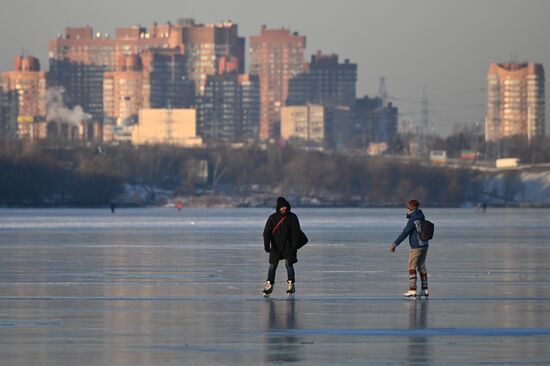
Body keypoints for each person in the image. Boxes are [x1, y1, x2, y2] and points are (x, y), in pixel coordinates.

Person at [262, 197, 302, 297]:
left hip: (289, 246)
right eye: (282, 207)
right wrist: (267, 245)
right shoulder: (273, 217)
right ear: (278, 207)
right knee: (272, 266)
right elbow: (267, 232)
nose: (284, 208)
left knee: (289, 265)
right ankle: (269, 284)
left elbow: (296, 233)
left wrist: (294, 246)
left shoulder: (292, 217)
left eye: (285, 206)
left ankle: (291, 285)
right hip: (276, 246)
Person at [389, 199, 429, 298]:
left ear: (412, 207)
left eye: (408, 206)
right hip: (424, 245)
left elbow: (405, 232)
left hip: (416, 246)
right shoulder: (421, 215)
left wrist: (395, 244)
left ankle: (412, 290)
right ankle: (425, 289)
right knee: (421, 266)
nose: (407, 208)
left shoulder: (414, 218)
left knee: (412, 266)